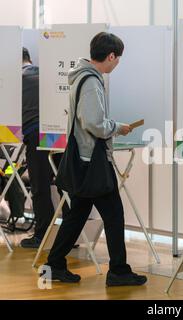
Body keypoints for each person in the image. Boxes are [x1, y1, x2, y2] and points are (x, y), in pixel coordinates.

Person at [42, 32, 147, 287]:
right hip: (92, 161)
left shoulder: (81, 76)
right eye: (118, 58)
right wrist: (117, 127)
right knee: (114, 215)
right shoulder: (90, 81)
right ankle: (119, 272)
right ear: (110, 56)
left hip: (83, 159)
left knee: (77, 214)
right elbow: (93, 122)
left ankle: (54, 265)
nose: (117, 63)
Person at [20, 48, 67, 248]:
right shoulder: (47, 74)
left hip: (34, 132)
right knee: (64, 184)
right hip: (57, 130)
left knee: (40, 185)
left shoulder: (15, 79)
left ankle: (43, 235)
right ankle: (69, 235)